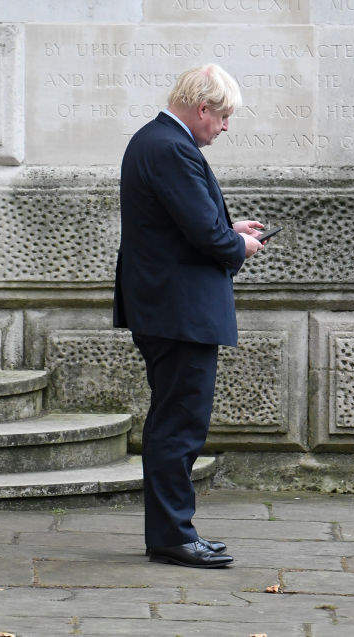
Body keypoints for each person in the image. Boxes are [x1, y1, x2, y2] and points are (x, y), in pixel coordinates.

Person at [113, 63, 264, 568]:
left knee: (173, 420)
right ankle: (174, 536)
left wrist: (228, 228)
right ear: (203, 109)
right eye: (223, 117)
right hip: (177, 312)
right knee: (179, 425)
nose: (225, 127)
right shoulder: (171, 147)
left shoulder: (156, 141)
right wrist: (238, 245)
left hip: (168, 308)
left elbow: (179, 223)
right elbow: (204, 236)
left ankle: (171, 533)